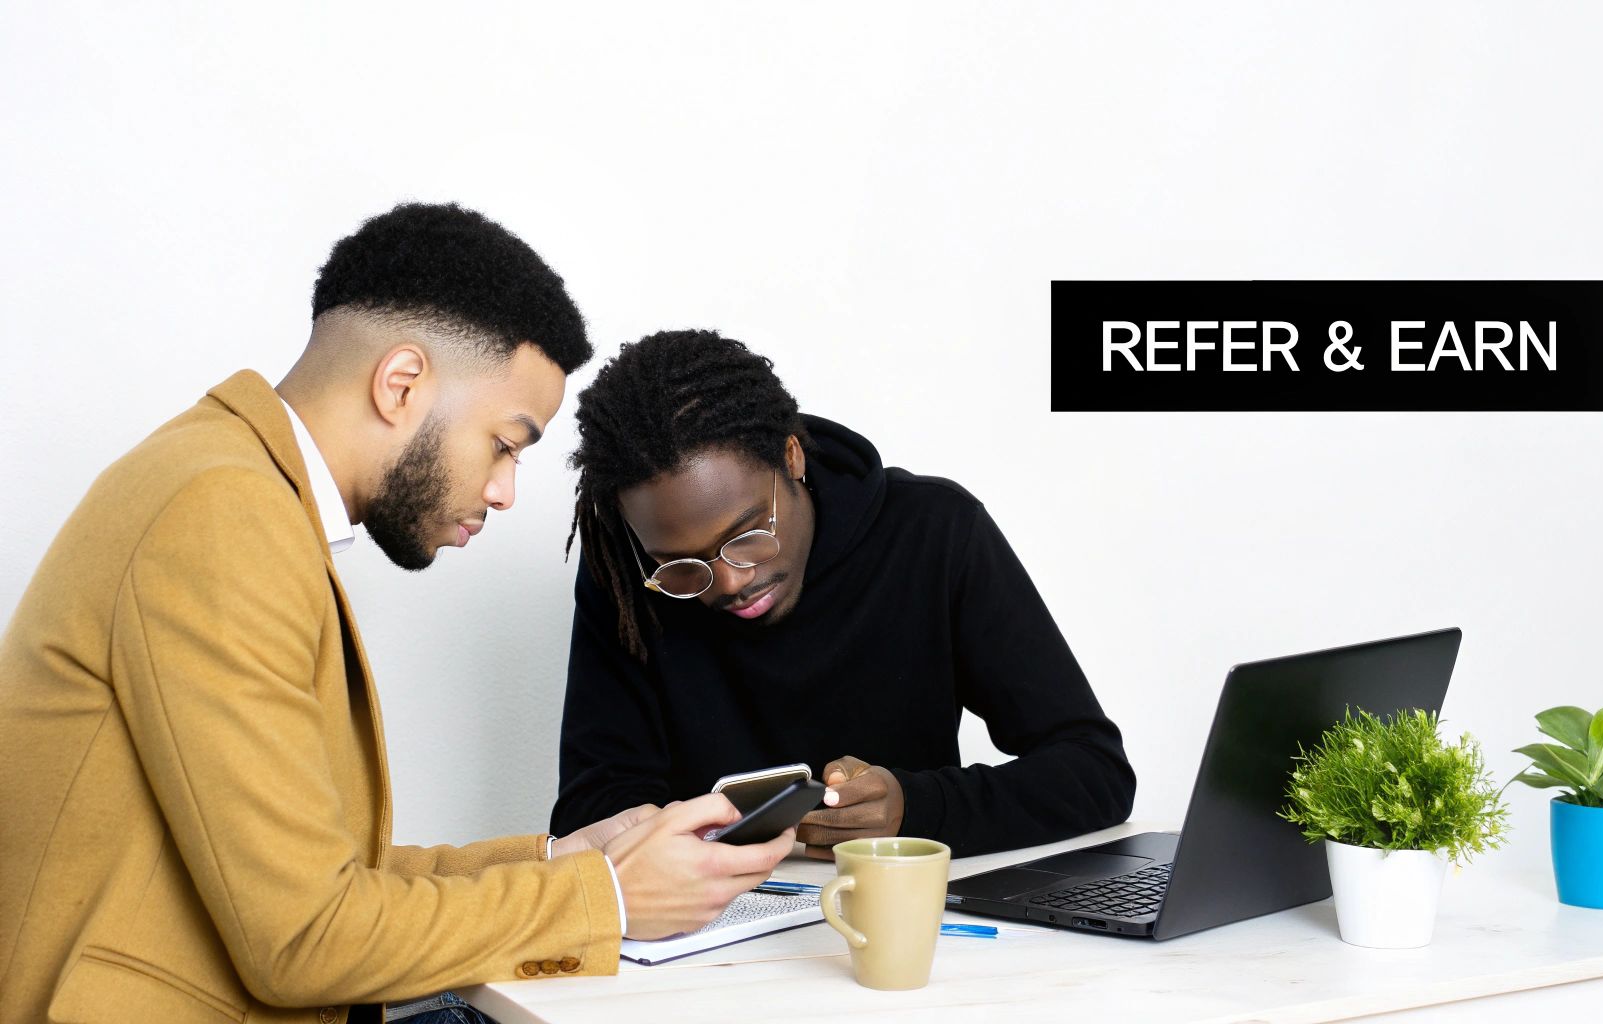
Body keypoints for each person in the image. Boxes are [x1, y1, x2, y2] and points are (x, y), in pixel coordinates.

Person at [0, 205, 793, 1024]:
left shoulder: (231, 490)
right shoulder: (220, 514)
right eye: (505, 442)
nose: (503, 490)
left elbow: (325, 882)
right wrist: (609, 900)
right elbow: (307, 937)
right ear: (401, 384)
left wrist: (565, 858)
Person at [554, 329, 1136, 860]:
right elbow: (590, 814)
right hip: (707, 936)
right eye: (682, 566)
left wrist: (915, 806)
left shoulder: (934, 533)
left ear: (791, 457)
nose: (728, 582)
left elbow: (1094, 771)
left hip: (905, 925)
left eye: (747, 536)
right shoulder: (628, 578)